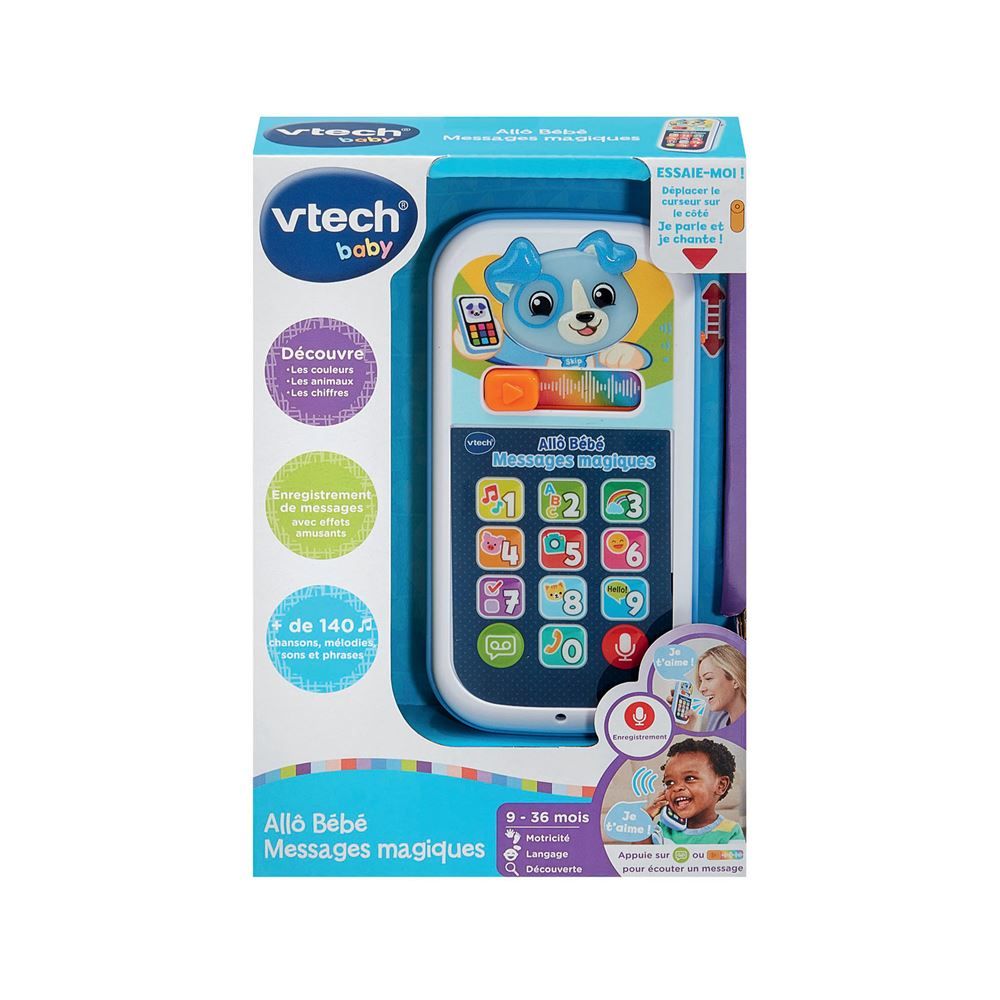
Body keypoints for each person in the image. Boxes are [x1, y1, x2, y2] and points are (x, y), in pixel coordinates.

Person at [643, 738, 745, 844]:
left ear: (720, 785)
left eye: (690, 778)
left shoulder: (730, 832)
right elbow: (641, 852)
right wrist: (646, 817)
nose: (676, 788)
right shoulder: (664, 830)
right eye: (670, 783)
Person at [696, 645, 746, 729]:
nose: (701, 688)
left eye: (708, 678)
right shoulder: (714, 719)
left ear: (735, 680)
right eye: (701, 680)